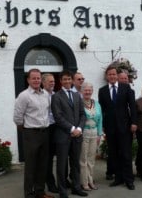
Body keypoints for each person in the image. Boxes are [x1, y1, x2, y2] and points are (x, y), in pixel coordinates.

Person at [13, 68, 54, 198]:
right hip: (31, 134)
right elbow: (17, 117)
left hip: (45, 133)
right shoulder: (24, 96)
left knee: (43, 165)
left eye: (38, 78)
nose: (36, 80)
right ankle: (29, 194)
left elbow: (48, 112)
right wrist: (24, 128)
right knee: (31, 166)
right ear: (28, 80)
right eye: (33, 78)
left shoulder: (45, 94)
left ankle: (40, 192)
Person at [98, 65, 137, 190]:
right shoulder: (102, 90)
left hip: (125, 127)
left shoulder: (126, 87)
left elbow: (132, 106)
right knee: (114, 154)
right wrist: (103, 126)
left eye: (114, 74)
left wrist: (134, 122)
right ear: (107, 76)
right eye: (110, 74)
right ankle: (118, 178)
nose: (112, 76)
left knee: (126, 154)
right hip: (110, 128)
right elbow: (102, 110)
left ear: (117, 75)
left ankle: (129, 180)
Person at [51, 70, 87, 198]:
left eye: (69, 79)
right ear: (60, 81)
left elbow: (83, 114)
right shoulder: (56, 96)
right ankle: (62, 191)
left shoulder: (77, 95)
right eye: (64, 79)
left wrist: (79, 129)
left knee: (75, 163)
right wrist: (72, 129)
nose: (67, 81)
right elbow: (58, 117)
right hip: (63, 135)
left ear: (72, 80)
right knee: (61, 164)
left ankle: (76, 187)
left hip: (77, 135)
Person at [79, 82, 103, 191]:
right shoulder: (79, 103)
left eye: (89, 90)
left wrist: (99, 134)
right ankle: (84, 183)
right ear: (81, 91)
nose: (87, 92)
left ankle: (90, 181)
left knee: (91, 159)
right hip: (83, 133)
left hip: (94, 133)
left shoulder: (96, 103)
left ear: (92, 91)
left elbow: (100, 119)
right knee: (83, 159)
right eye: (85, 90)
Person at [42, 73, 59, 193]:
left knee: (59, 156)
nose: (52, 83)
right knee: (47, 159)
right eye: (50, 81)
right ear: (43, 83)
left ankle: (63, 180)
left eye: (53, 81)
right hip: (46, 129)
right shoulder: (40, 96)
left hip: (56, 128)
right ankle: (50, 183)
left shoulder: (56, 95)